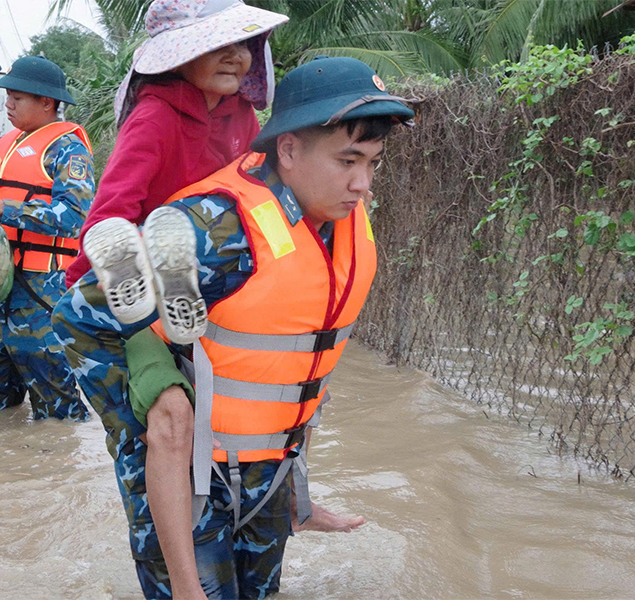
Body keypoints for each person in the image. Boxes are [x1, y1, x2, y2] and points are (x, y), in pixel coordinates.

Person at [52, 56, 414, 599]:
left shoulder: (340, 222)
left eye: (373, 163)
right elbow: (75, 315)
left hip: (267, 474)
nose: (362, 184)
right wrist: (156, 404)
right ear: (288, 150)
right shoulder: (220, 229)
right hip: (193, 475)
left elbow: (299, 364)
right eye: (347, 161)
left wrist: (298, 488)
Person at [66, 0, 287, 341]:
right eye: (218, 44)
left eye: (242, 44)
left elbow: (259, 181)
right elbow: (111, 210)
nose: (235, 56)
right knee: (134, 244)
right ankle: (153, 288)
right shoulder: (154, 117)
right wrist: (78, 285)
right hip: (153, 246)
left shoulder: (240, 114)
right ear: (180, 55)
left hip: (213, 252)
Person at [0, 56, 93, 421]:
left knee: (57, 411)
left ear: (47, 102)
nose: (7, 104)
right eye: (7, 96)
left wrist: (2, 208)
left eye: (18, 98)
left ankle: (55, 476)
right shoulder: (4, 143)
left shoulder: (68, 149)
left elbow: (74, 217)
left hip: (41, 294)